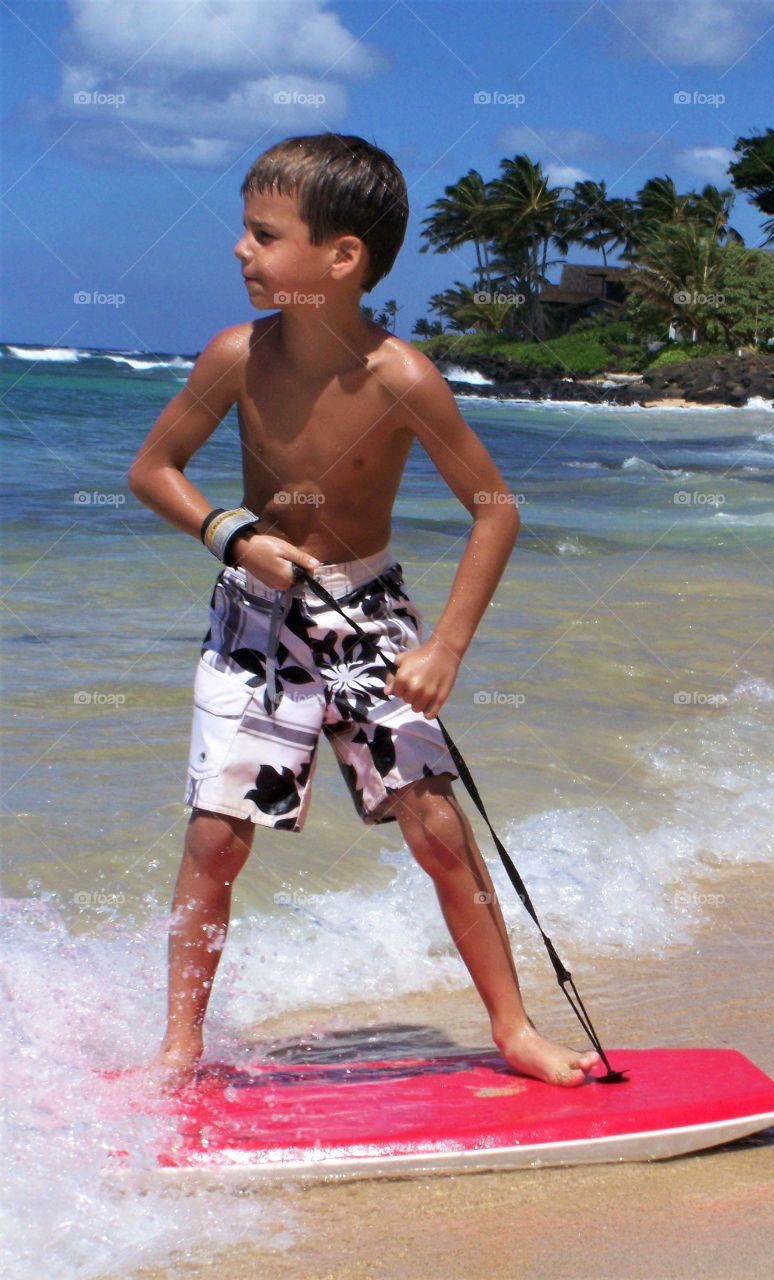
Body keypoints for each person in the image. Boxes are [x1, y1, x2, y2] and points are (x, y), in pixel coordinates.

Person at [128, 132, 599, 1092]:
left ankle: (513, 1028)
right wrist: (230, 533)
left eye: (264, 234)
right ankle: (180, 1045)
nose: (239, 249)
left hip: (370, 618)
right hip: (255, 618)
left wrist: (447, 649)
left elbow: (495, 511)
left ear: (341, 257)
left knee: (435, 828)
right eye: (244, 231)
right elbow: (151, 471)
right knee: (217, 839)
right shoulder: (236, 357)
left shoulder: (401, 378)